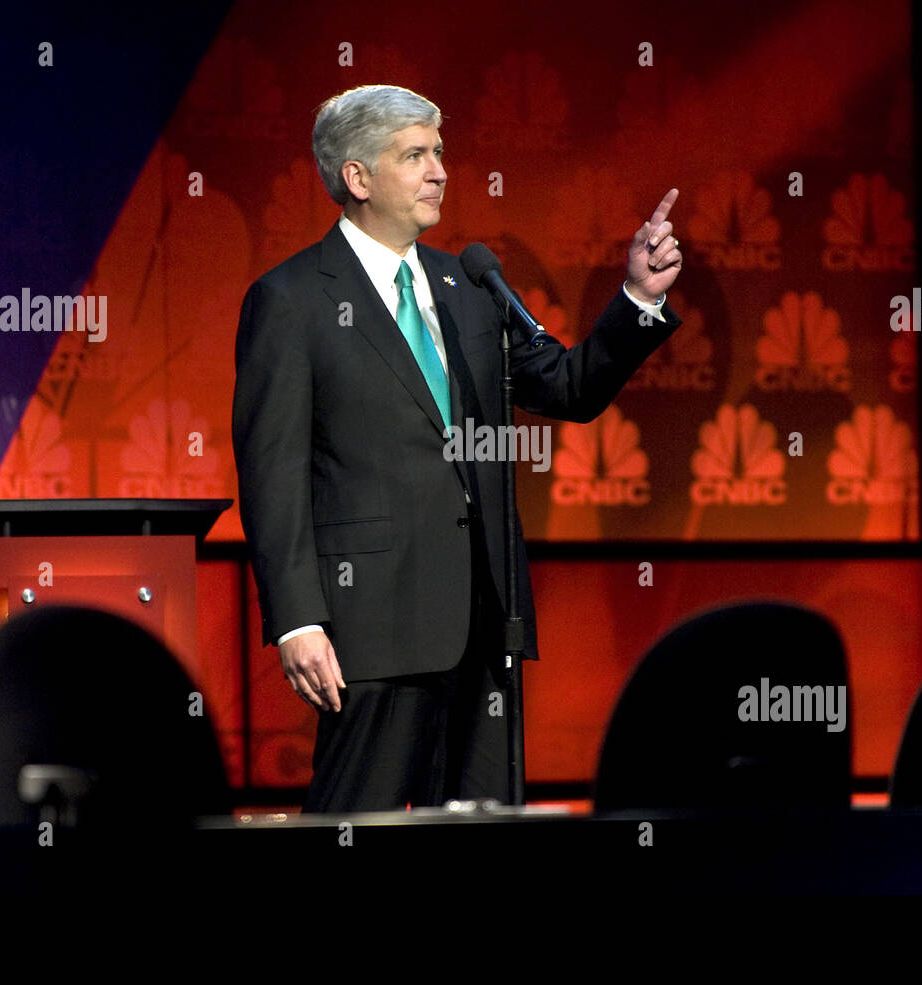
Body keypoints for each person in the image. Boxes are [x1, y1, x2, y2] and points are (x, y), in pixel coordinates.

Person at [232, 83, 683, 813]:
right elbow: (271, 473)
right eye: (415, 155)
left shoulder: (470, 283)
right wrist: (296, 618)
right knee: (355, 830)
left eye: (439, 152)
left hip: (486, 622)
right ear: (358, 176)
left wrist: (638, 299)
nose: (440, 170)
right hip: (370, 629)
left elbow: (567, 386)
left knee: (483, 850)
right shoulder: (292, 300)